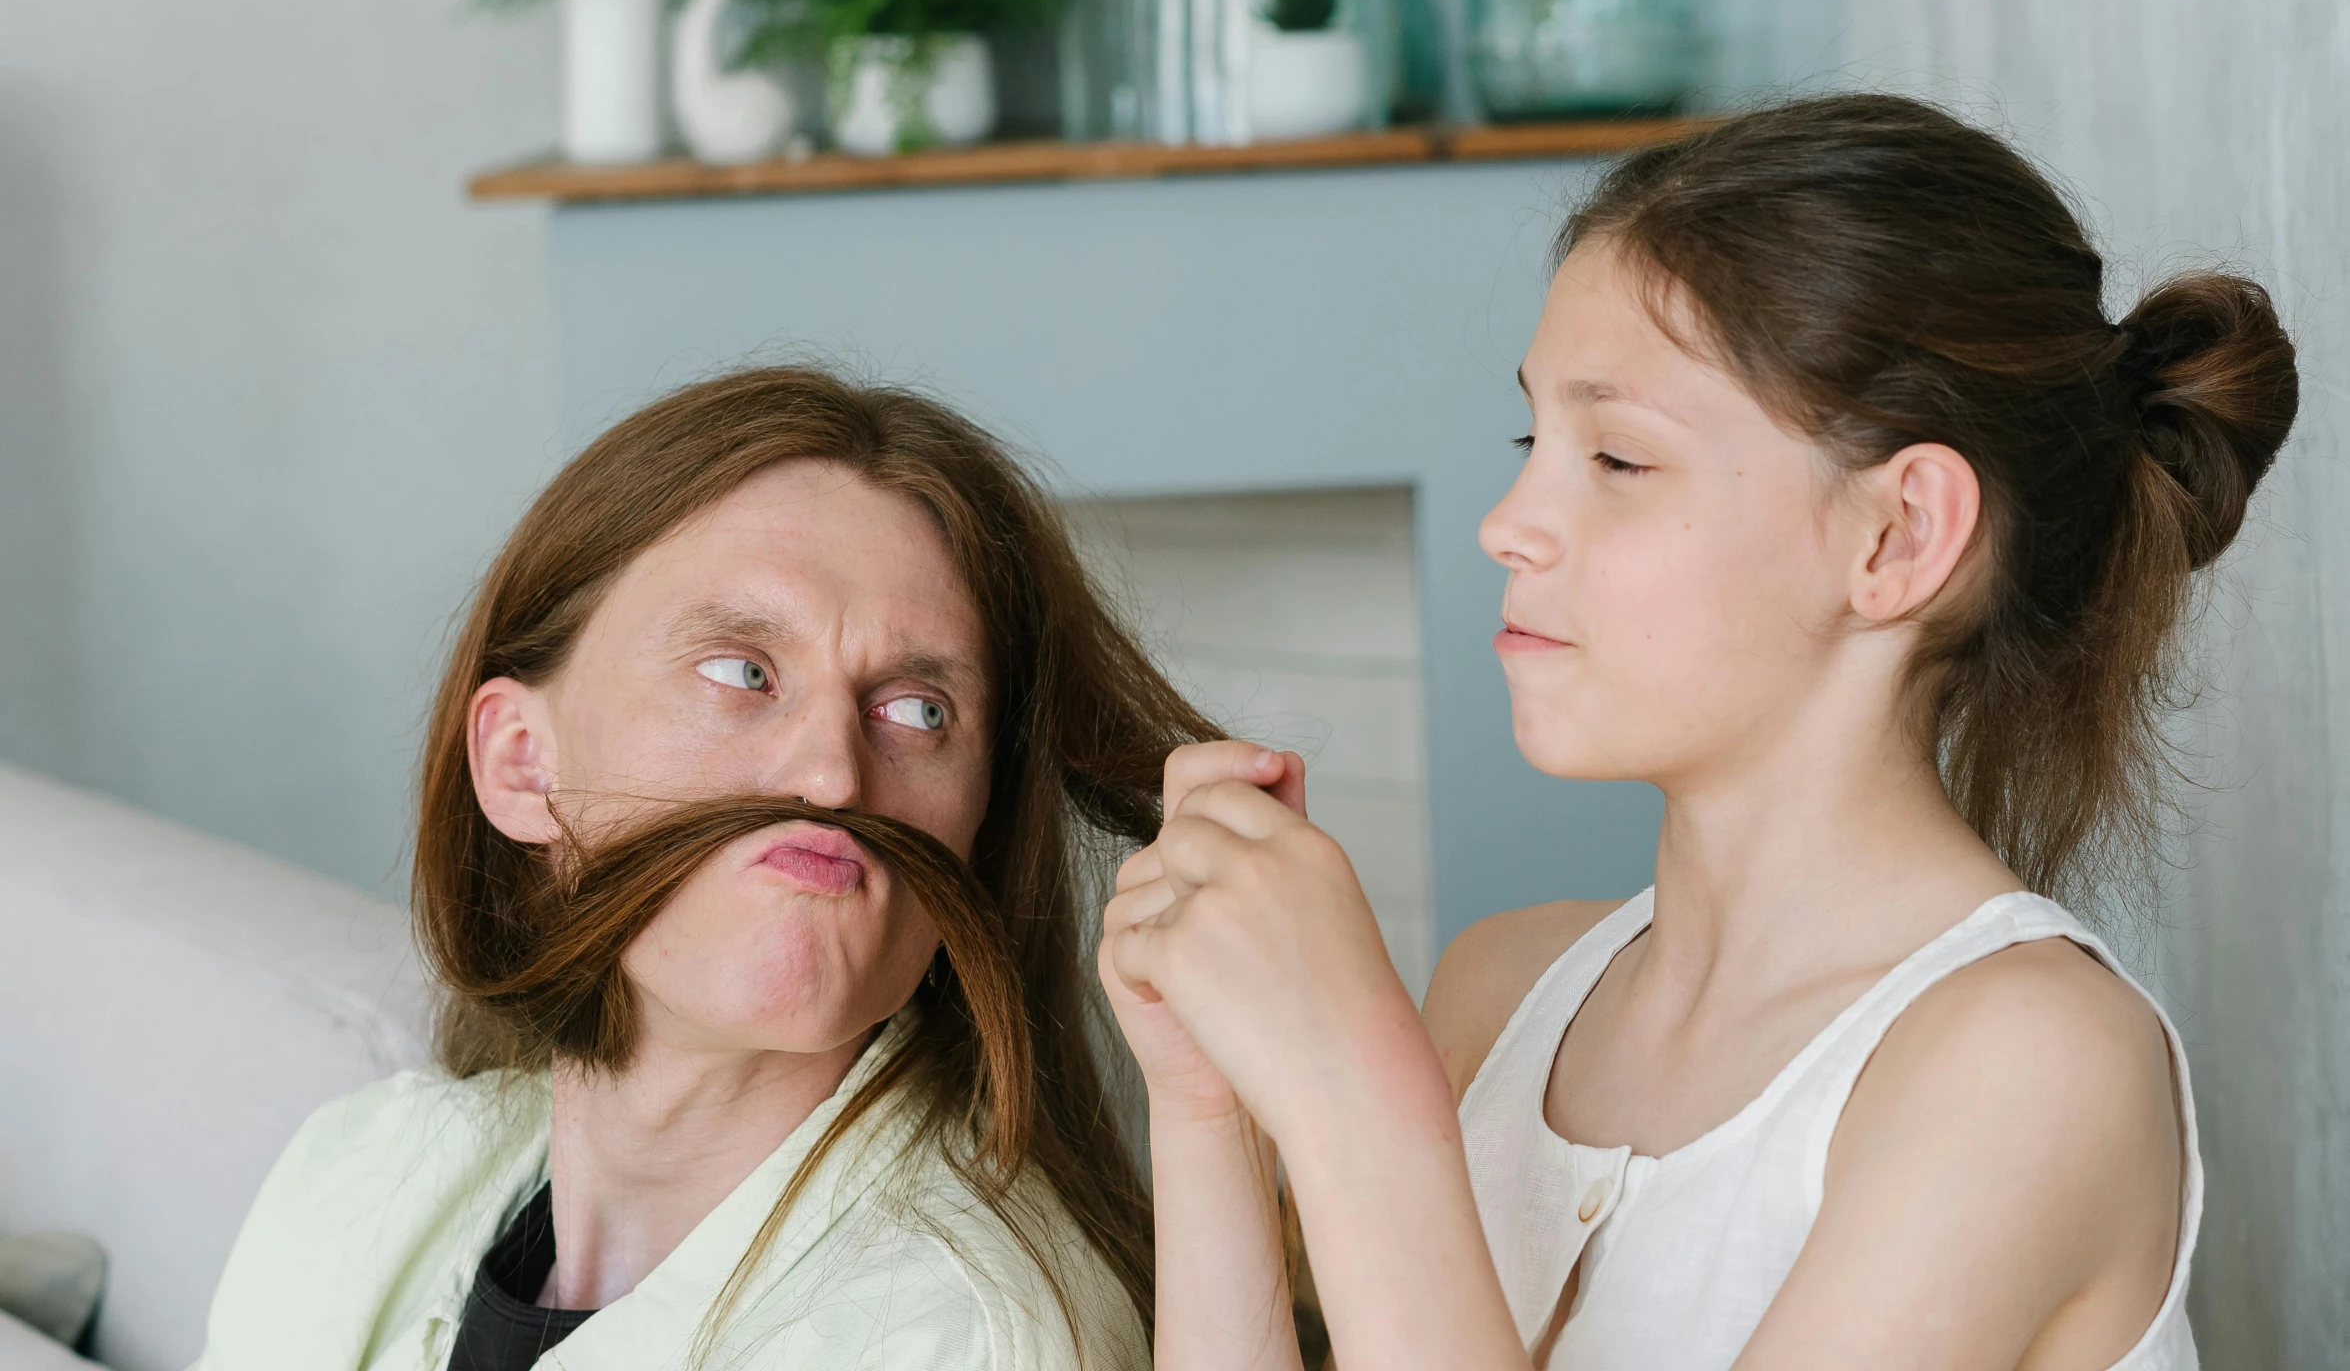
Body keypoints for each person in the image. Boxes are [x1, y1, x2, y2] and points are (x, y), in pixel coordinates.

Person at [1103, 95, 2301, 1371]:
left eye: (1616, 457)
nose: (1508, 520)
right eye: (1532, 437)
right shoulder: (1498, 990)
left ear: (1894, 536)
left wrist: (1353, 1093)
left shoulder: (2030, 1067)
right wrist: (1209, 1101)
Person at [197, 366, 1217, 1371]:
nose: (830, 774)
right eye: (742, 671)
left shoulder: (962, 1339)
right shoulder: (355, 1169)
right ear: (519, 761)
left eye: (917, 709)